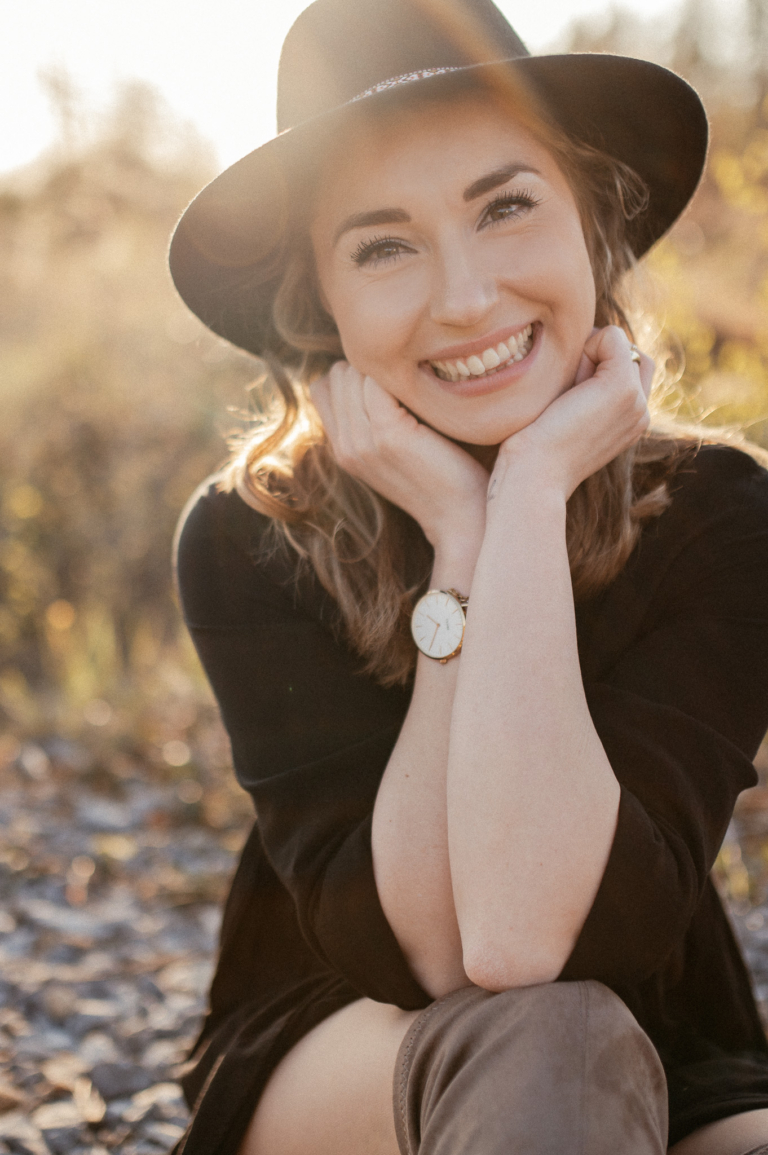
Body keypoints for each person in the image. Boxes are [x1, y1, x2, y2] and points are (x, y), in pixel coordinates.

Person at [168, 0, 768, 1151]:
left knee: (592, 1043)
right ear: (320, 303)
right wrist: (470, 529)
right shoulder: (250, 538)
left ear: (596, 223)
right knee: (547, 1043)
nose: (465, 299)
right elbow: (464, 956)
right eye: (384, 244)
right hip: (348, 1034)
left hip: (666, 1033)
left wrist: (531, 488)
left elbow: (556, 922)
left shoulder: (723, 519)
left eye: (506, 208)